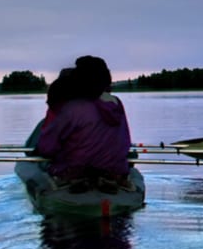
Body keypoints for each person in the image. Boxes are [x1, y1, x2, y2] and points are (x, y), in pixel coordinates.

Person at [31, 55, 133, 188]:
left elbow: (47, 148)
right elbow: (126, 141)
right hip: (114, 171)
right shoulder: (116, 104)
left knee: (46, 162)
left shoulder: (72, 108)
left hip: (76, 172)